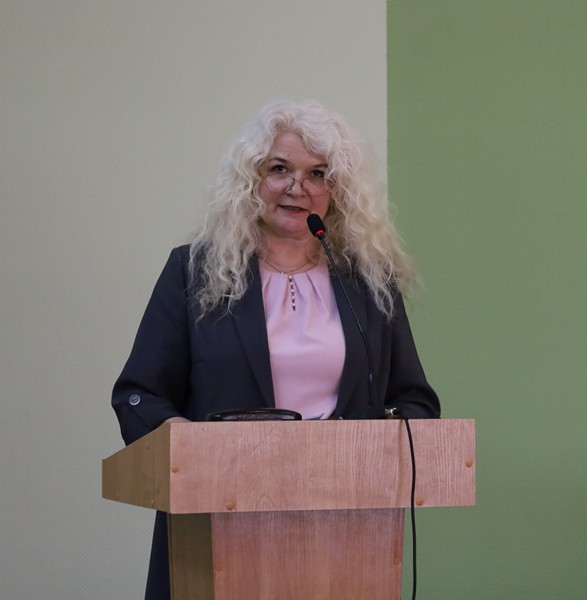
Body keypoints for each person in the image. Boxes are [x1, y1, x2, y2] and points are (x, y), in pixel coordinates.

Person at [111, 100, 440, 600]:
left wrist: (377, 440)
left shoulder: (369, 282)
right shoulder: (194, 272)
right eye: (279, 169)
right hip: (219, 519)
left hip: (347, 525)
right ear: (252, 179)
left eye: (318, 174)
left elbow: (415, 400)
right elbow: (139, 394)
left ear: (338, 189)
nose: (297, 187)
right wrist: (190, 444)